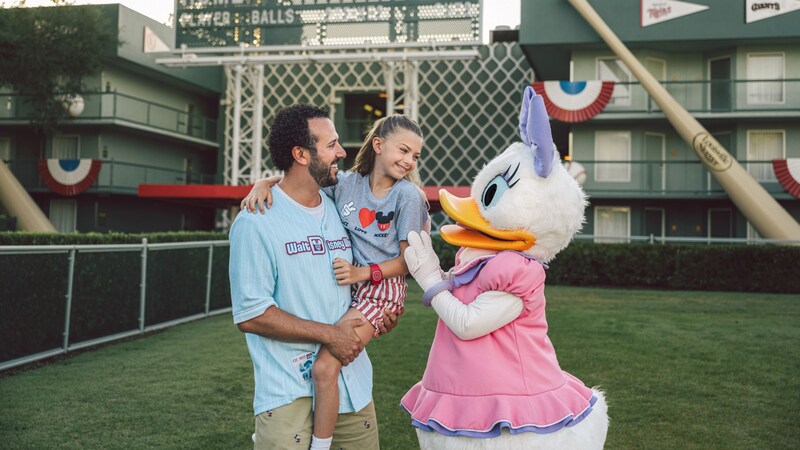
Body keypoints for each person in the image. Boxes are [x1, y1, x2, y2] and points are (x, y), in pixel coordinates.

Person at [241, 114, 429, 449]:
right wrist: (263, 183)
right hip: (287, 391)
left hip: (354, 381)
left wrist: (372, 294)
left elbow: (404, 262)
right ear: (301, 155)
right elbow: (251, 315)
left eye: (415, 155)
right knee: (323, 371)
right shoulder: (259, 221)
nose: (341, 151)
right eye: (331, 145)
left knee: (328, 370)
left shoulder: (342, 201)